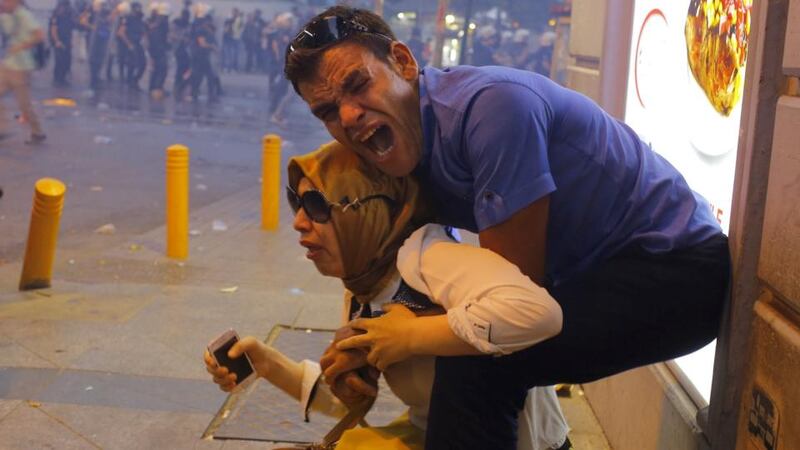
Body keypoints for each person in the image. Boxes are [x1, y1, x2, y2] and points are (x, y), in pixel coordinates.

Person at [283, 6, 731, 450]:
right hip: (590, 276)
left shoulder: (492, 107)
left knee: (480, 361)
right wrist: (366, 342)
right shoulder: (399, 143)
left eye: (358, 85)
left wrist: (405, 334)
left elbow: (512, 301)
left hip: (676, 272)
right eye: (326, 111)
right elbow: (418, 283)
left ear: (403, 61)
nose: (347, 116)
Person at [204, 141, 572, 450]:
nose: (299, 221)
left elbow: (539, 311)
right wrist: (266, 364)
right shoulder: (364, 286)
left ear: (368, 210)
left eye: (317, 206)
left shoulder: (428, 258)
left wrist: (410, 335)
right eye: (296, 203)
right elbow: (351, 399)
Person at [0, 0, 46, 144]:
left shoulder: (24, 15)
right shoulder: (6, 14)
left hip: (21, 67)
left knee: (24, 104)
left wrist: (21, 46)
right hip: (8, 63)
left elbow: (39, 35)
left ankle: (37, 132)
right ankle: (1, 128)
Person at [145, 1, 169, 99]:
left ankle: (154, 88)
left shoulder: (156, 22)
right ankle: (156, 89)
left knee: (157, 69)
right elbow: (158, 37)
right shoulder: (161, 22)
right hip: (158, 49)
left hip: (156, 48)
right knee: (161, 69)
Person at [49, 0, 73, 87]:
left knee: (67, 59)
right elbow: (53, 29)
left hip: (66, 40)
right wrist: (56, 41)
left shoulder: (68, 14)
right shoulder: (56, 15)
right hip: (59, 41)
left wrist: (70, 41)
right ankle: (58, 79)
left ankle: (62, 78)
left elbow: (70, 28)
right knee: (59, 60)